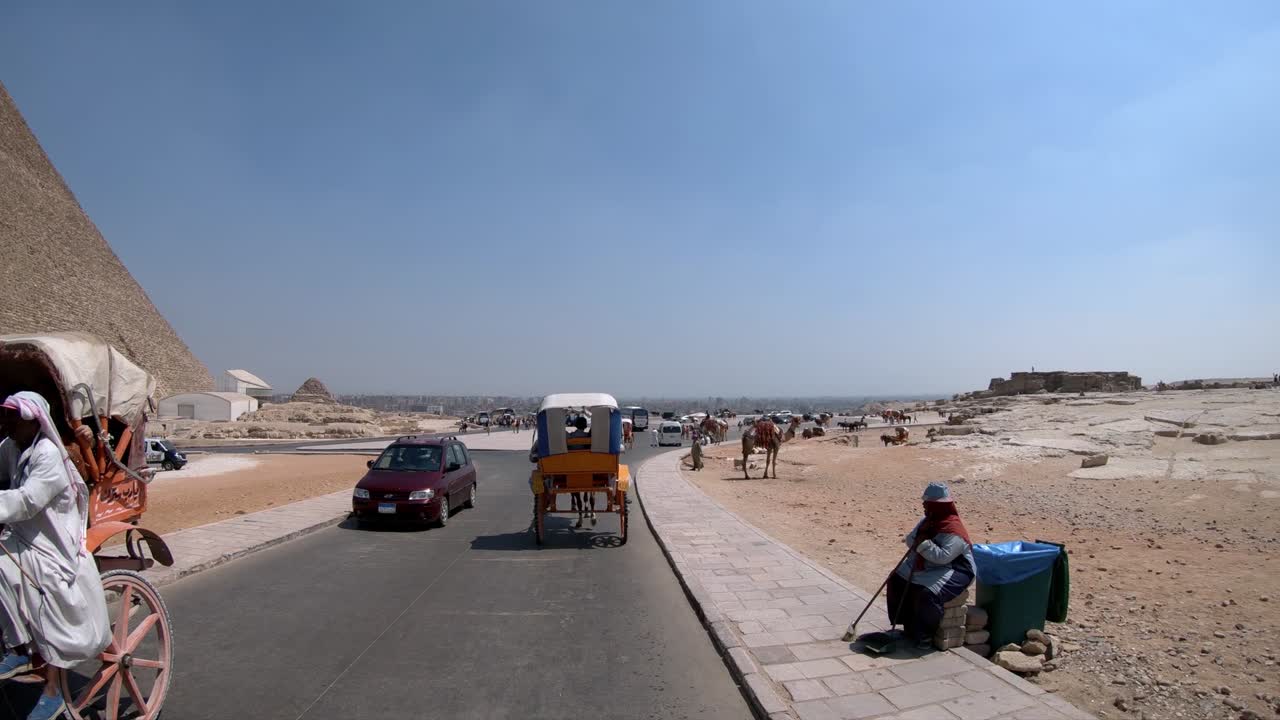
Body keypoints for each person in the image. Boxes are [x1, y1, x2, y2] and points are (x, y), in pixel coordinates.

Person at [0, 392, 112, 720]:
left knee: (15, 577)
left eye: (12, 417)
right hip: (21, 532)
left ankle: (25, 654)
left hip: (50, 542)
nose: (5, 423)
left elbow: (28, 500)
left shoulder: (48, 454)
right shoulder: (13, 447)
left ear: (34, 420)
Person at [885, 481, 975, 649]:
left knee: (927, 594)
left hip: (956, 569)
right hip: (929, 564)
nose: (924, 506)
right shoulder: (928, 521)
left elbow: (943, 557)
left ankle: (925, 634)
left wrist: (924, 543)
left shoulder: (953, 529)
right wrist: (921, 541)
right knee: (896, 579)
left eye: (927, 503)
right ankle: (908, 627)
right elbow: (911, 538)